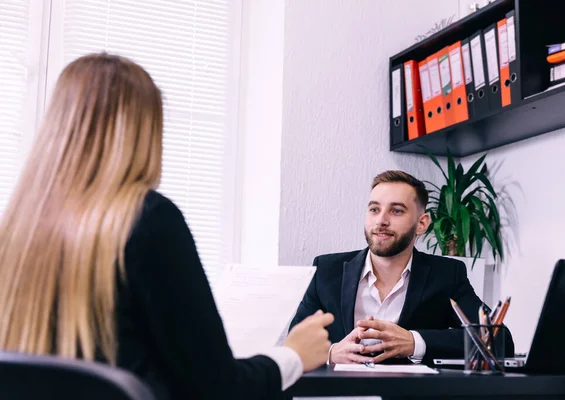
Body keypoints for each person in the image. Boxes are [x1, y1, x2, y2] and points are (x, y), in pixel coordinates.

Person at [0, 53, 334, 400]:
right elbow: (219, 389)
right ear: (143, 133)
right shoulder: (149, 220)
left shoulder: (16, 233)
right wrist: (293, 355)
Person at [289, 170, 514, 365]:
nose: (381, 221)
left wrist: (414, 342)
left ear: (422, 223)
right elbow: (293, 342)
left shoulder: (447, 275)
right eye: (374, 209)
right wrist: (332, 353)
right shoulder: (327, 270)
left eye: (396, 211)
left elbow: (498, 341)